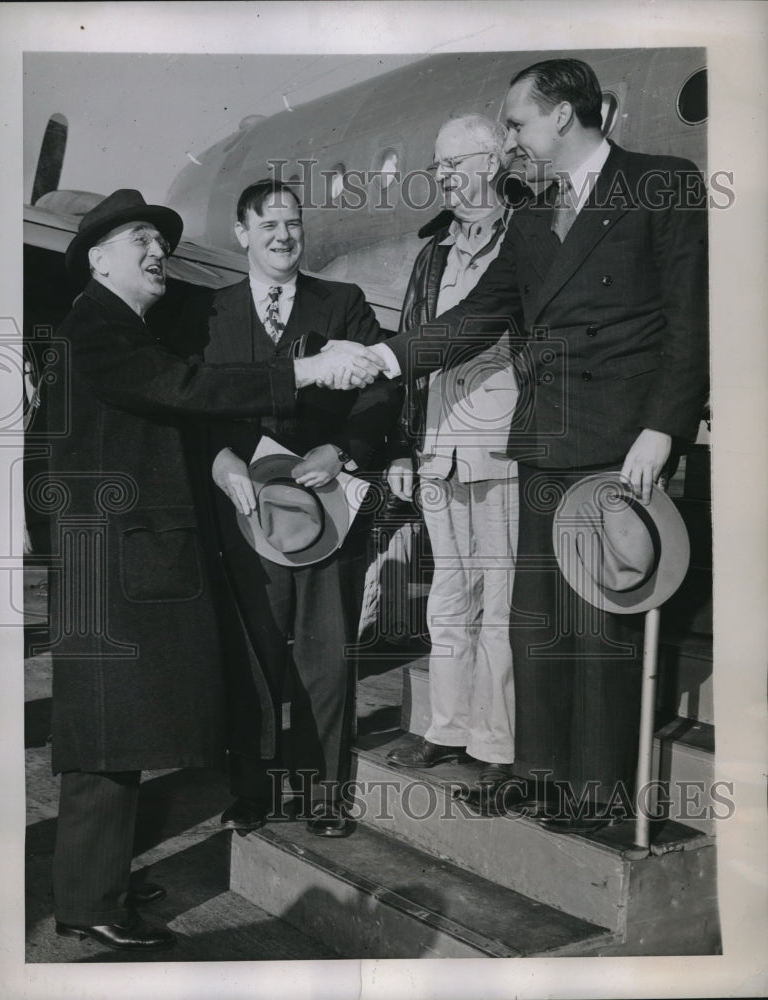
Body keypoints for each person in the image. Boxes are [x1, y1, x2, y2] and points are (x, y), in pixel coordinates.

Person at [367, 59, 709, 831]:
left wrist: (663, 427)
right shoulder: (530, 221)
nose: (512, 141)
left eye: (517, 124)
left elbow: (691, 322)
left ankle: (599, 791)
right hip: (544, 440)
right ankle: (542, 772)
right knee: (535, 622)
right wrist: (384, 358)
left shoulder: (661, 184)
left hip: (623, 443)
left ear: (562, 115)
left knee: (599, 623)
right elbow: (474, 319)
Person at [46, 189, 379, 952]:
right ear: (98, 258)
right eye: (138, 240)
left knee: (118, 734)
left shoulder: (120, 327)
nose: (157, 250)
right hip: (115, 563)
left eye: (160, 240)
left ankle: (96, 882)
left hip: (118, 555)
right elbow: (186, 391)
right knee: (104, 739)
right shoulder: (100, 327)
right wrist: (302, 373)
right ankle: (88, 902)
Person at [187, 179, 403, 838]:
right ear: (242, 233)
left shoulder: (341, 303)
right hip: (245, 511)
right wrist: (226, 465)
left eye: (293, 223)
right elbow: (195, 403)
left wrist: (341, 449)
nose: (284, 235)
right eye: (270, 223)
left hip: (325, 512)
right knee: (251, 654)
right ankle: (252, 791)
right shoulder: (210, 313)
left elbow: (380, 394)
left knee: (326, 656)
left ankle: (323, 797)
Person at [384, 115, 523, 798]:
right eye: (435, 165)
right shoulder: (433, 251)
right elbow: (416, 346)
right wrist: (407, 443)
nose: (438, 176)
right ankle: (443, 728)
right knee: (447, 596)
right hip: (440, 446)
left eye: (450, 163)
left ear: (492, 161)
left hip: (503, 448)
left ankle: (496, 744)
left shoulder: (527, 236)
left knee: (498, 600)